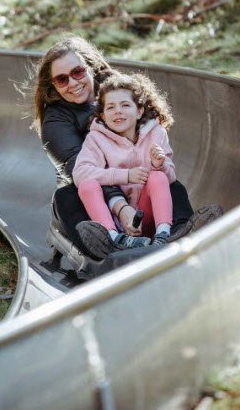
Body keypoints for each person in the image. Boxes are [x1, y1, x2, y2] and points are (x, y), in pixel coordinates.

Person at [31, 34, 222, 260]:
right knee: (68, 197)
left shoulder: (119, 90)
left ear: (89, 68)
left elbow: (150, 134)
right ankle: (108, 245)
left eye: (77, 72)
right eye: (62, 79)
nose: (73, 83)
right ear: (53, 85)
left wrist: (155, 164)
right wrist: (120, 208)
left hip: (138, 189)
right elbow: (80, 171)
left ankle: (177, 231)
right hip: (92, 196)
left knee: (167, 181)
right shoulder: (56, 121)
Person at [73, 72, 177, 258]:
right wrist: (126, 175)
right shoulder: (96, 138)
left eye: (125, 105)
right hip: (113, 217)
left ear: (139, 111)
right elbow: (80, 172)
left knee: (158, 176)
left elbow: (172, 179)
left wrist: (159, 165)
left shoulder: (157, 133)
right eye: (110, 107)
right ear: (103, 115)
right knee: (87, 184)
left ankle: (163, 235)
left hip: (147, 214)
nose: (118, 111)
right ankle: (113, 239)